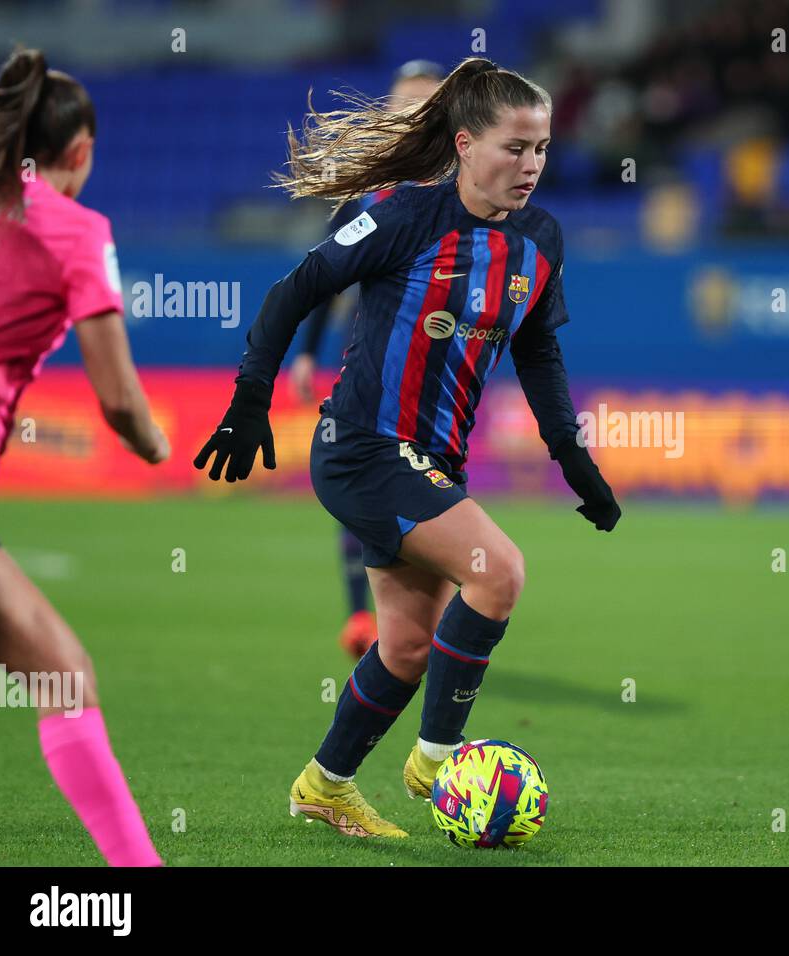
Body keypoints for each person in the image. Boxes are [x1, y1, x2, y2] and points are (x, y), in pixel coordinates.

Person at [194, 57, 620, 838]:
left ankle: (324, 785)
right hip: (363, 448)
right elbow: (297, 288)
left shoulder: (540, 239)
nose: (530, 166)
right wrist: (251, 398)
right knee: (499, 573)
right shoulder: (401, 214)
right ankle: (439, 758)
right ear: (463, 144)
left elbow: (539, 357)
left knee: (407, 647)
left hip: (431, 460)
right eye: (513, 148)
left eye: (542, 149)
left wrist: (576, 462)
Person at [0, 47, 169, 865]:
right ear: (80, 153)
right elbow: (120, 400)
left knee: (59, 672)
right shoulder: (76, 231)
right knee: (65, 680)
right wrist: (158, 445)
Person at [288, 59, 445, 660]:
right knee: (365, 483)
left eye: (422, 103)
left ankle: (411, 621)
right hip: (375, 372)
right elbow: (324, 278)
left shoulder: (465, 191)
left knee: (433, 494)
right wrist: (305, 354)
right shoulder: (366, 192)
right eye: (401, 103)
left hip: (438, 382)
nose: (409, 113)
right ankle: (364, 616)